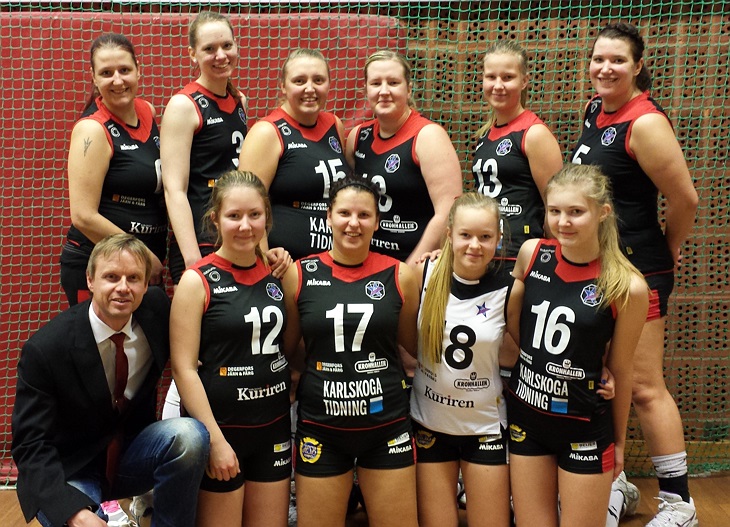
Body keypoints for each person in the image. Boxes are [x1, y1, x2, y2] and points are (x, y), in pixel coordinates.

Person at [570, 22, 699, 527]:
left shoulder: (644, 123)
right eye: (599, 59)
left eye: (618, 60)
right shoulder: (595, 109)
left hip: (640, 269)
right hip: (601, 269)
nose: (605, 68)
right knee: (609, 378)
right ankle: (616, 483)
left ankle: (678, 503)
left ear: (638, 66)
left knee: (644, 385)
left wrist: (670, 246)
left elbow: (685, 198)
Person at [11, 233, 209, 527]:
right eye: (111, 277)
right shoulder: (46, 349)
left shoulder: (156, 310)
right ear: (90, 280)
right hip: (72, 468)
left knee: (190, 436)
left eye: (133, 278)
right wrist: (74, 513)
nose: (123, 288)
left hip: (132, 456)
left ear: (146, 284)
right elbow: (30, 445)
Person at [506, 164, 649, 526]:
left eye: (575, 211)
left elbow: (621, 369)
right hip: (527, 420)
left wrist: (619, 443)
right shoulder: (531, 254)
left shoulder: (627, 286)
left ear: (603, 212)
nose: (563, 222)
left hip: (584, 428)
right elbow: (515, 325)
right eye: (554, 211)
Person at [281, 176, 420, 527]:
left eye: (364, 215)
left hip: (386, 426)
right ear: (329, 216)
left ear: (377, 221)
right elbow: (290, 350)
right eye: (344, 213)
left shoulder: (401, 275)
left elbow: (410, 345)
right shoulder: (300, 274)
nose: (353, 223)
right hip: (321, 427)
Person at [170, 171, 291, 527]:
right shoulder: (196, 281)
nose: (245, 226)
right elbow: (183, 369)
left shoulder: (278, 272)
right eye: (234, 216)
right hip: (222, 430)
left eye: (254, 215)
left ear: (267, 217)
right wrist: (214, 441)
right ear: (215, 220)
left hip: (273, 429)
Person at [410, 193, 512, 527]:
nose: (475, 245)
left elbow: (529, 350)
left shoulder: (510, 288)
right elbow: (401, 338)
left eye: (485, 237)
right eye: (466, 235)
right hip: (430, 425)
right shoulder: (423, 273)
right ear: (450, 234)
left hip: (484, 427)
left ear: (498, 239)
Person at [60, 33, 166, 306]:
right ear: (94, 78)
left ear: (138, 71)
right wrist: (140, 254)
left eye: (124, 70)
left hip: (140, 266)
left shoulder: (147, 111)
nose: (118, 81)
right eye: (106, 73)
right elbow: (83, 216)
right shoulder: (92, 130)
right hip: (100, 263)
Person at [345, 50, 462, 265]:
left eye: (393, 83)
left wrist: (409, 271)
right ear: (366, 90)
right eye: (376, 83)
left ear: (408, 89)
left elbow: (448, 211)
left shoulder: (428, 136)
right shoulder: (357, 137)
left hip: (414, 264)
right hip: (367, 265)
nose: (384, 91)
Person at [161, 10, 248, 284]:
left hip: (235, 236)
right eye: (209, 49)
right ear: (193, 54)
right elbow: (174, 189)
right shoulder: (184, 105)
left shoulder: (239, 100)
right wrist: (192, 260)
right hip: (201, 242)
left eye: (227, 45)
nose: (221, 55)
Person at [239, 48, 347, 260]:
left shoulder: (334, 125)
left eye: (318, 80)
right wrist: (263, 260)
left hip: (332, 261)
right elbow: (246, 205)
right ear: (283, 86)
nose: (310, 88)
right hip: (284, 264)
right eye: (299, 81)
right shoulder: (267, 132)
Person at [472, 41, 563, 270]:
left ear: (524, 81)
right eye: (491, 77)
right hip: (485, 256)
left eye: (508, 77)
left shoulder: (534, 134)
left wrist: (553, 264)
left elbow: (556, 206)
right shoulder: (485, 134)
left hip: (520, 260)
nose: (498, 85)